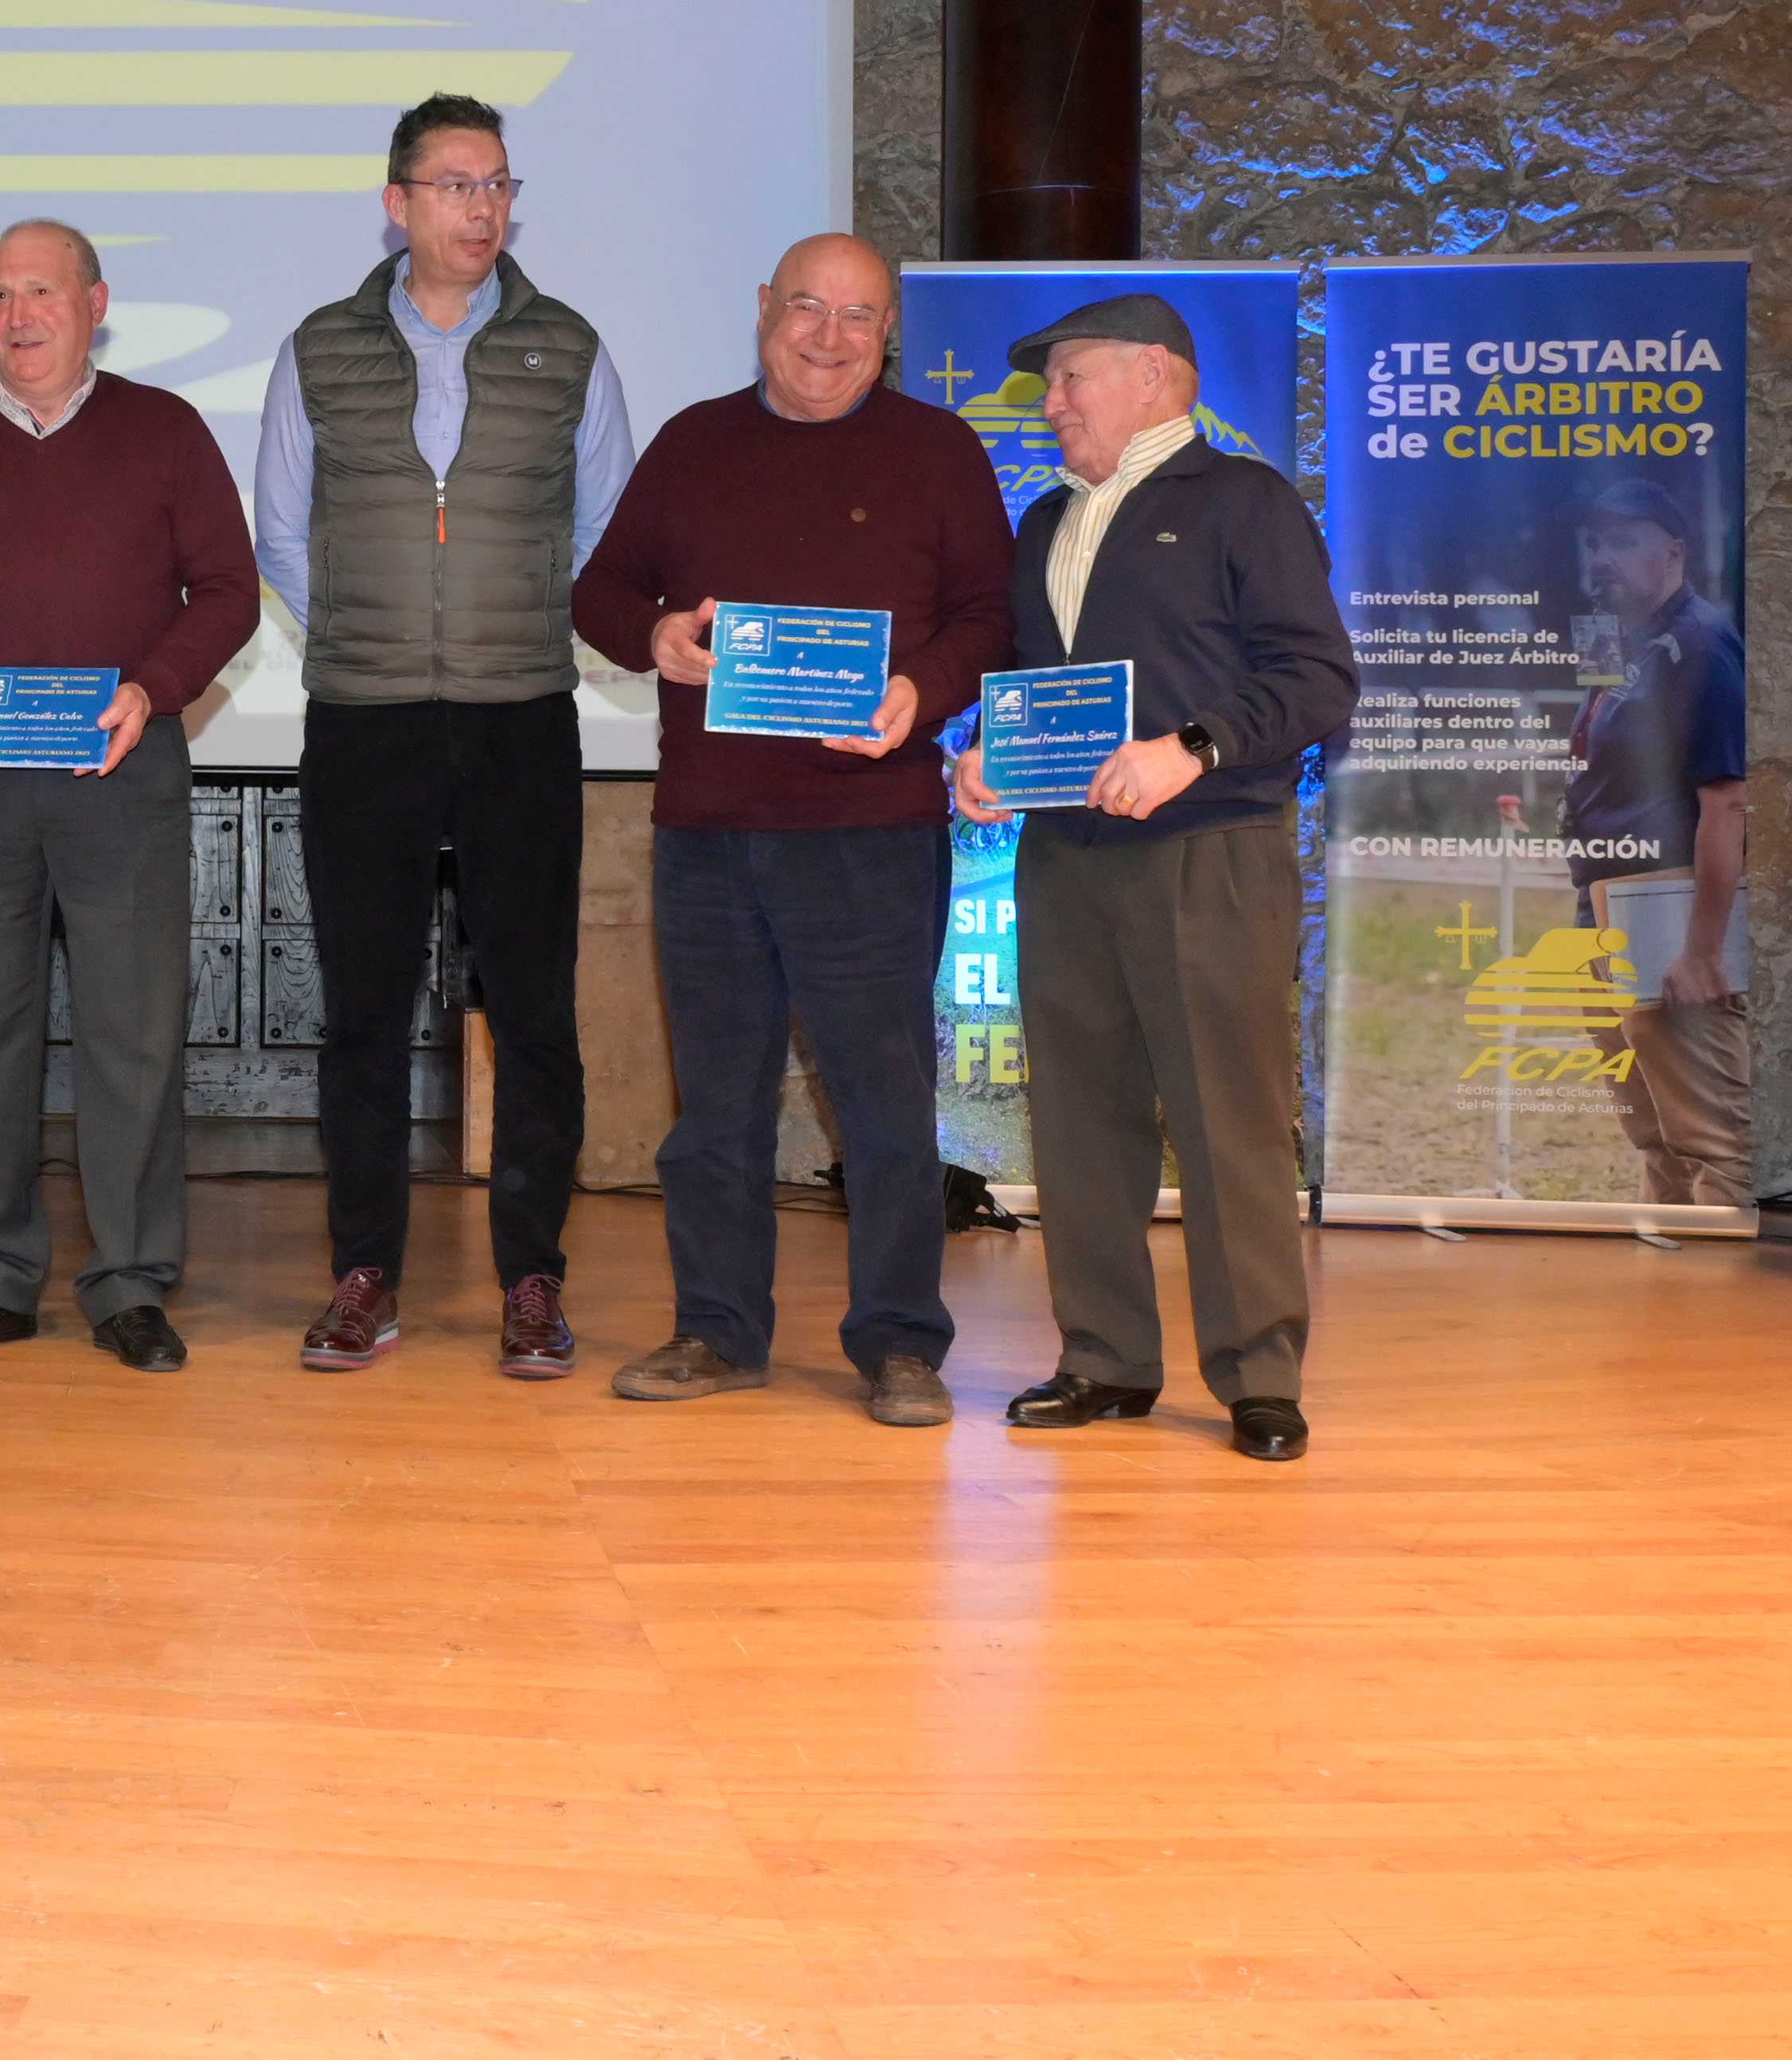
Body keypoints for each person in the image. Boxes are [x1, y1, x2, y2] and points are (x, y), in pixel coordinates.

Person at [571, 233, 1012, 1425]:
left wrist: (920, 690)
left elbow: (989, 617)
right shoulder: (692, 443)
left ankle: (901, 1344)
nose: (827, 334)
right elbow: (601, 591)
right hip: (709, 833)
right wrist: (653, 636)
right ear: (763, 308)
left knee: (880, 1102)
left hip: (871, 833)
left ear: (887, 337)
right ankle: (718, 1331)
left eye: (857, 316)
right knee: (714, 1106)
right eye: (806, 307)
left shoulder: (937, 451)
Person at [251, 92, 634, 1380]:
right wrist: (369, 637)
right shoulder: (318, 348)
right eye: (458, 184)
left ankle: (533, 1278)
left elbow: (602, 535)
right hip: (364, 723)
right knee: (363, 1013)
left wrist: (507, 628)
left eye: (499, 185)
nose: (484, 208)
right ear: (397, 200)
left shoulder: (569, 347)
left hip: (520, 716)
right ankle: (364, 1273)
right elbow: (286, 538)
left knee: (530, 1012)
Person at [952, 291, 1354, 1464]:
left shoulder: (1242, 501)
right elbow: (1029, 690)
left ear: (1156, 378)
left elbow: (1319, 680)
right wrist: (987, 761)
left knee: (1227, 1121)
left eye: (1072, 377)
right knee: (1081, 1120)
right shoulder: (1042, 524)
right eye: (1050, 382)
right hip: (1065, 858)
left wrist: (1194, 748)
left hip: (1207, 852)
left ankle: (1258, 1376)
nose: (1052, 401)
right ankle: (1103, 1359)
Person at [0, 219, 260, 1371]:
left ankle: (129, 1282)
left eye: (40, 291)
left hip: (120, 776)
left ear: (95, 302)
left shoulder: (165, 430)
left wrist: (155, 689)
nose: (17, 314)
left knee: (132, 1038)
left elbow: (228, 589)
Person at [1564, 476, 1751, 1210]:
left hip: (1662, 908)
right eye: (1594, 543)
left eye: (1622, 540)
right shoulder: (1617, 639)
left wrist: (1701, 949)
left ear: (1672, 551)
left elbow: (1727, 800)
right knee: (1654, 1132)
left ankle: (1719, 1311)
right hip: (1603, 904)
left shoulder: (1699, 645)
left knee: (1711, 1140)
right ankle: (1667, 1301)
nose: (1601, 558)